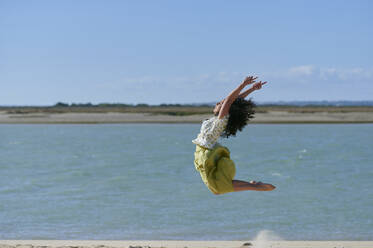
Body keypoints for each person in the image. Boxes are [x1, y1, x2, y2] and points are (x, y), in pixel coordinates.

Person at [192, 76, 276, 195]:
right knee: (216, 186)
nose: (218, 103)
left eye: (220, 104)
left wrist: (243, 85)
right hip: (205, 151)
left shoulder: (221, 120)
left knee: (216, 186)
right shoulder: (219, 119)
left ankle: (255, 187)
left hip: (205, 153)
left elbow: (229, 101)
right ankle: (254, 186)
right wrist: (251, 89)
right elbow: (233, 101)